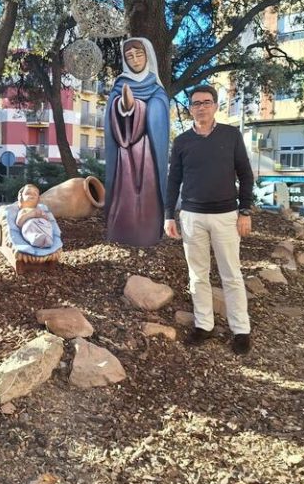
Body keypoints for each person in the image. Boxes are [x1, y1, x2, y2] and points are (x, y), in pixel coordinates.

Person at [164, 84, 254, 355]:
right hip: (192, 217)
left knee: (232, 275)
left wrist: (245, 211)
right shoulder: (182, 142)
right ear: (190, 108)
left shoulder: (231, 135)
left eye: (206, 102)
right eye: (195, 103)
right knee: (197, 276)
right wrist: (169, 215)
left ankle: (241, 330)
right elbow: (173, 181)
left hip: (226, 216)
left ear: (215, 105)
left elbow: (246, 175)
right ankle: (204, 326)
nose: (201, 107)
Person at [103, 37, 170, 246]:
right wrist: (125, 107)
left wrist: (139, 107)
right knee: (125, 192)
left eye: (139, 54)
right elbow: (113, 111)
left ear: (147, 55)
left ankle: (148, 233)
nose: (135, 59)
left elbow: (159, 110)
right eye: (129, 56)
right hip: (125, 151)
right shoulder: (120, 84)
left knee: (148, 190)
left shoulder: (157, 88)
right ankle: (122, 231)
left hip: (149, 151)